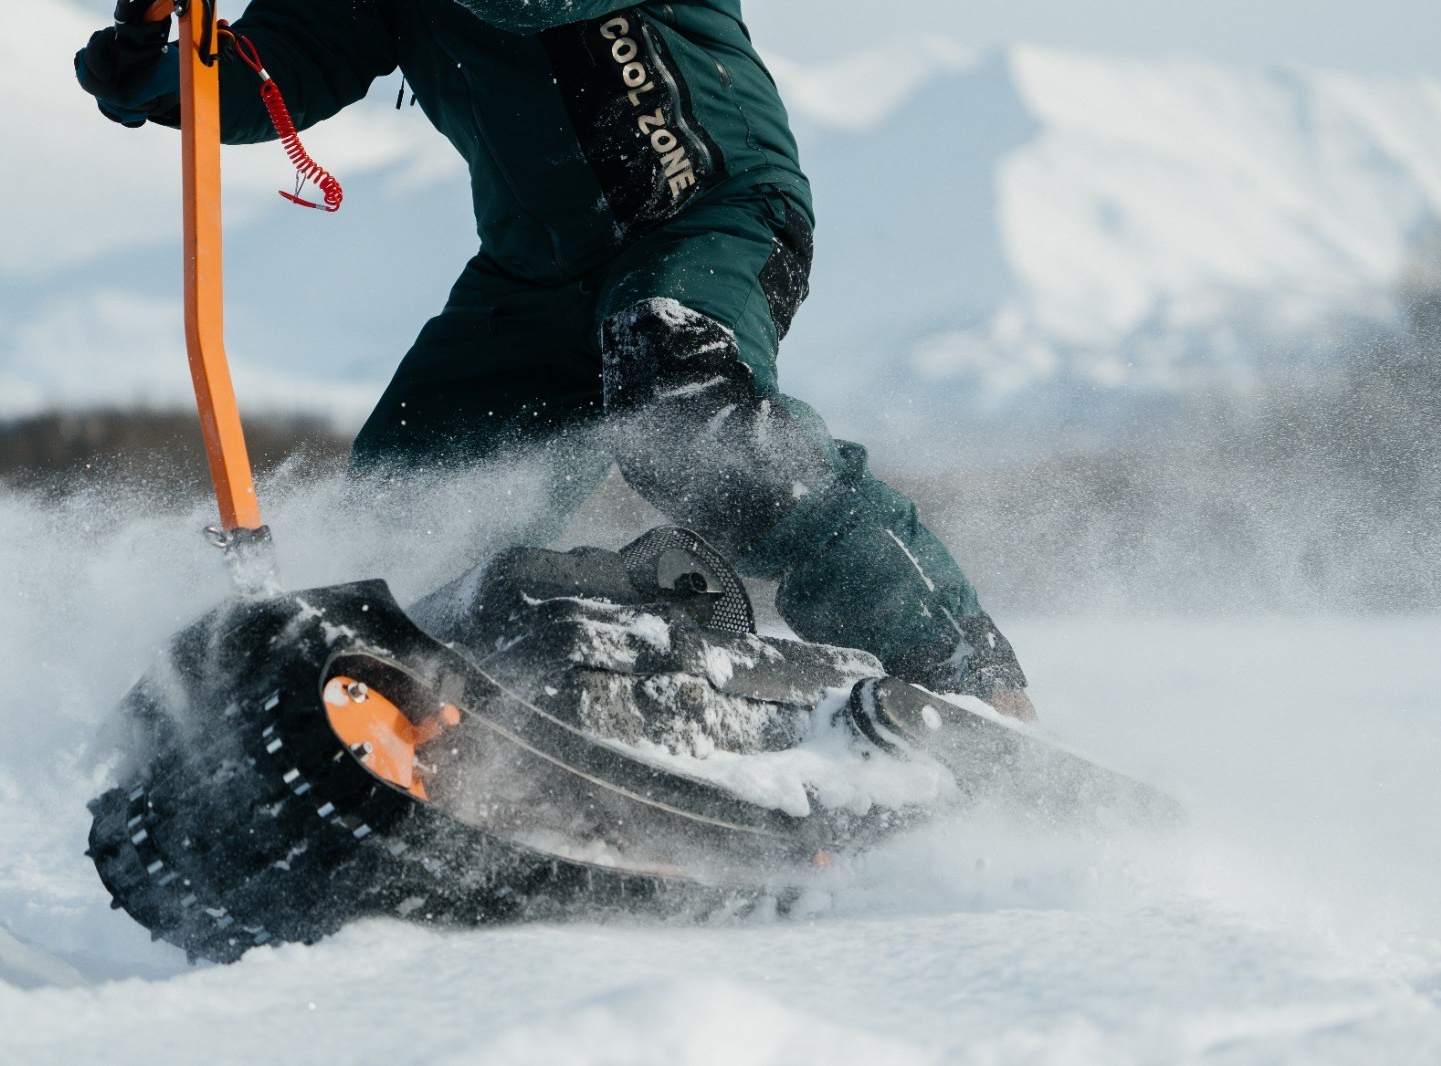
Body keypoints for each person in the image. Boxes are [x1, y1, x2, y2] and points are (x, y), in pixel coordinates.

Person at [75, 0, 1036, 718]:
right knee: (411, 514)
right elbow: (288, 62)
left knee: (683, 402)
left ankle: (961, 673)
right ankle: (456, 727)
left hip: (706, 211)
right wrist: (166, 74)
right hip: (536, 276)